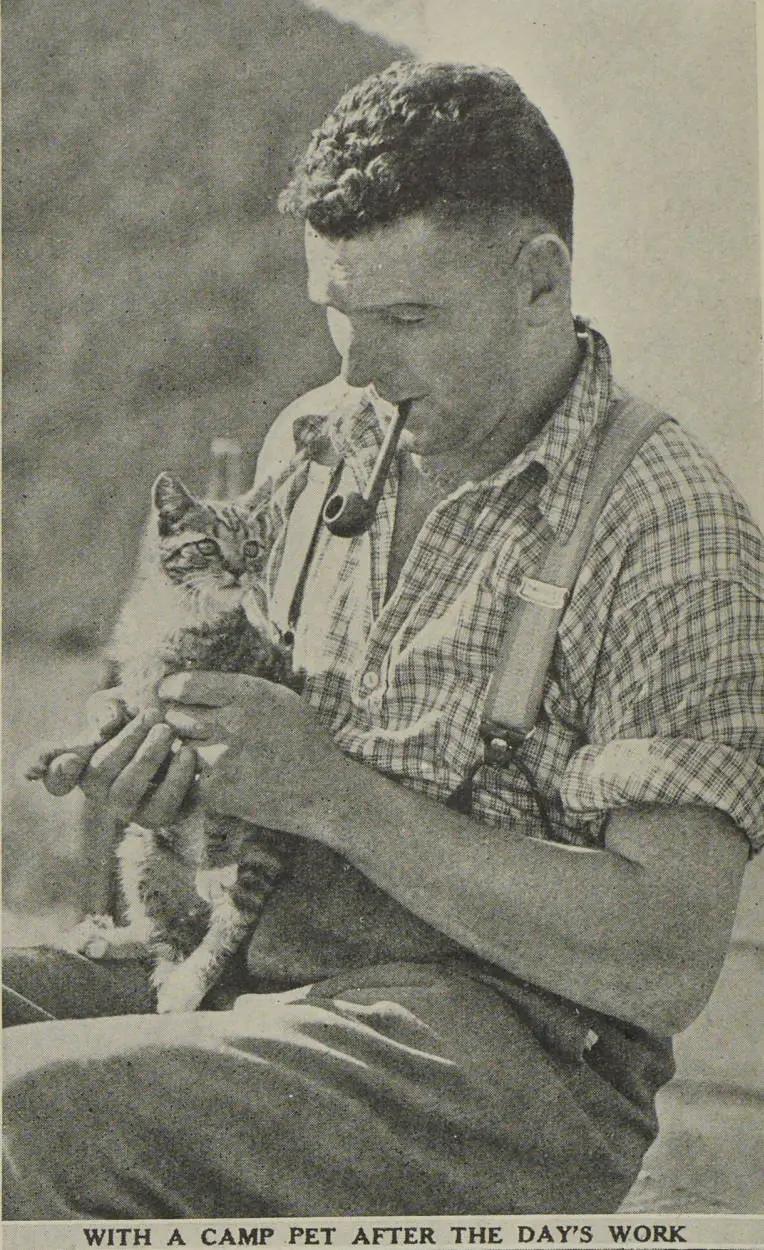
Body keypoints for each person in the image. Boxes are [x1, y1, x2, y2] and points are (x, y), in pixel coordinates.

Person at [3, 60, 762, 1218]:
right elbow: (258, 767)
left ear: (538, 281)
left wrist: (331, 792)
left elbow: (662, 954)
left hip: (505, 1064)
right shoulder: (314, 440)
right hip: (261, 965)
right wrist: (181, 773)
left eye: (406, 317)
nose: (355, 368)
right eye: (335, 310)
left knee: (21, 1111)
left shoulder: (668, 524)